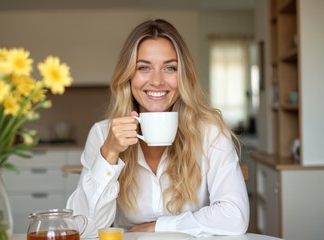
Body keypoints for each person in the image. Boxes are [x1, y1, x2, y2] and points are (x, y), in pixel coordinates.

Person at [66, 19, 249, 238]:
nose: (157, 81)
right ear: (129, 75)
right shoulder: (102, 134)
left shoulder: (210, 132)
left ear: (183, 76)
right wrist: (109, 154)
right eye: (144, 67)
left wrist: (158, 226)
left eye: (169, 68)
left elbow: (234, 216)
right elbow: (85, 230)